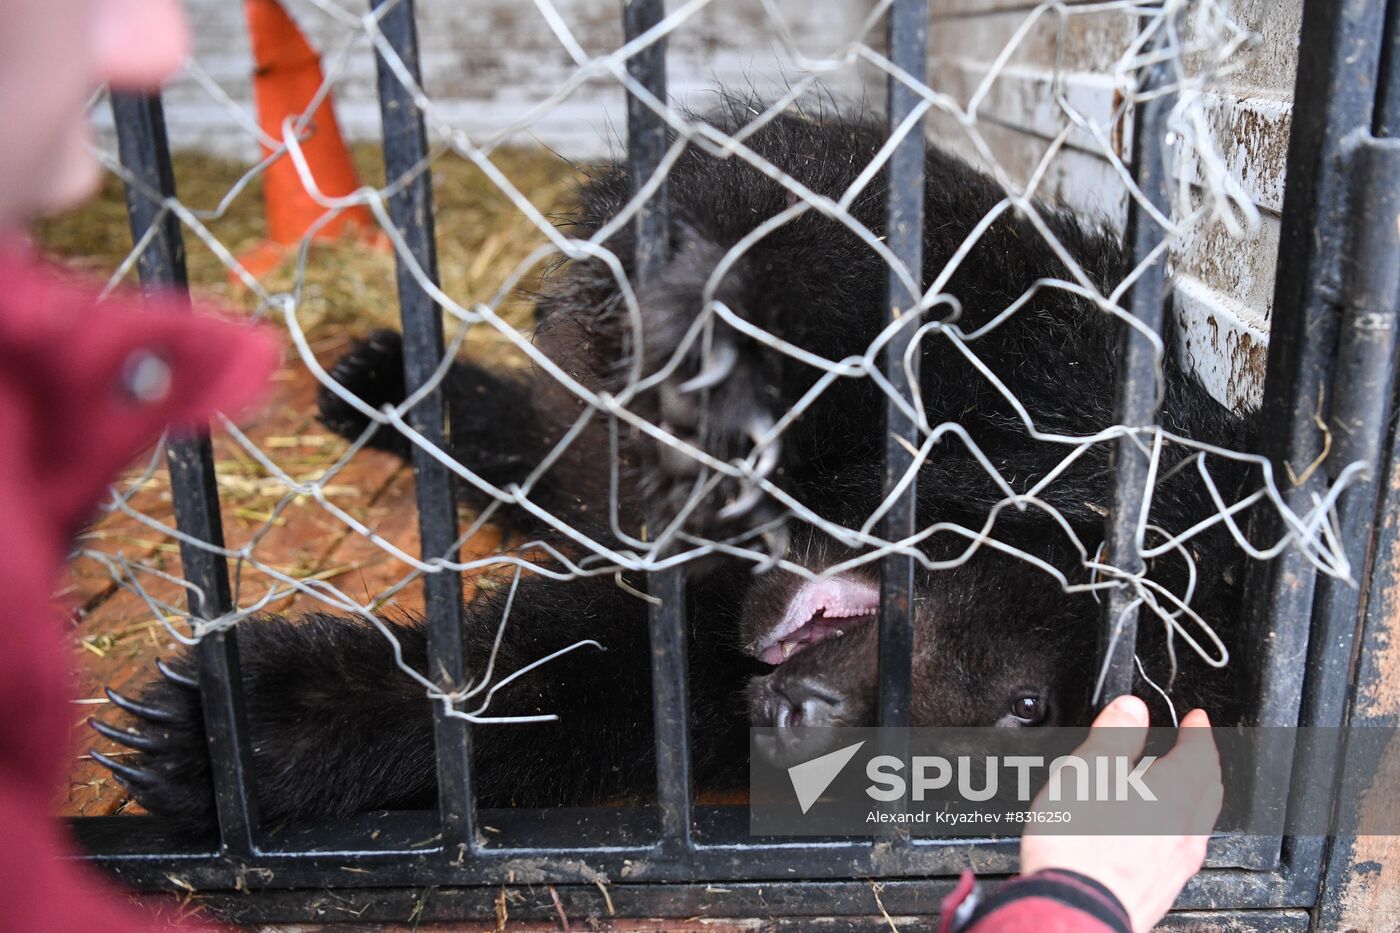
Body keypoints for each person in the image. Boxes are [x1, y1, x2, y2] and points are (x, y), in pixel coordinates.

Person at [0, 1, 1221, 929]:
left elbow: (671, 700)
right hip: (889, 451)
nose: (807, 721)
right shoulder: (1096, 414)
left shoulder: (882, 674)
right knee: (690, 535)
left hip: (815, 536)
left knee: (698, 684)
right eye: (1013, 710)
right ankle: (464, 423)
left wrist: (356, 725)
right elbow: (733, 208)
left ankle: (376, 670)